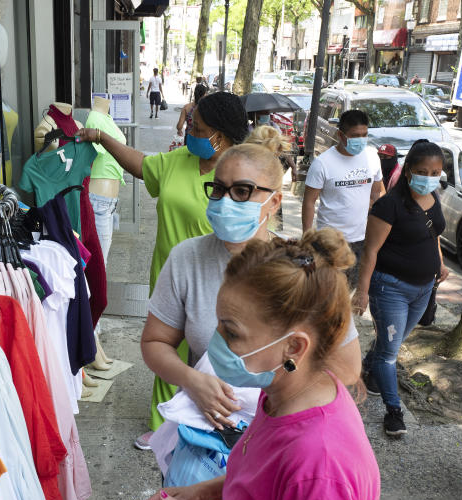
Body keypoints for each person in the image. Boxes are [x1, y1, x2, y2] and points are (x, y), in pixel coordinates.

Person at [135, 229, 381, 500]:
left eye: (231, 333)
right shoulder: (282, 395)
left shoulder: (321, 465)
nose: (216, 343)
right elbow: (264, 481)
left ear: (294, 348)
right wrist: (203, 493)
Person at [142, 126, 362, 434]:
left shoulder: (304, 268)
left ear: (274, 202)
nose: (225, 201)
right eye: (218, 189)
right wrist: (192, 380)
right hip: (205, 432)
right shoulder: (187, 257)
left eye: (242, 191)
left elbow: (348, 369)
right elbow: (155, 341)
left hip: (282, 431)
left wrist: (273, 387)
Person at [76, 92, 251, 444]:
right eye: (190, 123)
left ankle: (216, 424)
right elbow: (141, 165)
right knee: (166, 348)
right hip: (169, 276)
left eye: (197, 127)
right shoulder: (180, 159)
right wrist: (102, 138)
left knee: (212, 358)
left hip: (218, 283)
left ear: (219, 135)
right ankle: (162, 427)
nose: (188, 130)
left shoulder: (240, 176)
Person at [353, 139, 449, 438]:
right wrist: (363, 291)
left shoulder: (433, 197)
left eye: (435, 172)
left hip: (423, 289)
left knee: (390, 344)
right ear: (408, 172)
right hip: (390, 288)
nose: (429, 177)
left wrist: (441, 264)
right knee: (390, 354)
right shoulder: (389, 205)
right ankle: (394, 411)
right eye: (422, 171)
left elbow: (433, 236)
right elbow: (370, 251)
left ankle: (368, 367)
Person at [302, 109, 385, 286]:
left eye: (365, 135)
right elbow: (309, 201)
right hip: (329, 242)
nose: (361, 140)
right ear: (341, 135)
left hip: (359, 240)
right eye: (355, 136)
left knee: (350, 290)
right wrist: (307, 238)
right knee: (326, 290)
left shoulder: (372, 157)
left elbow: (376, 192)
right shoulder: (323, 163)